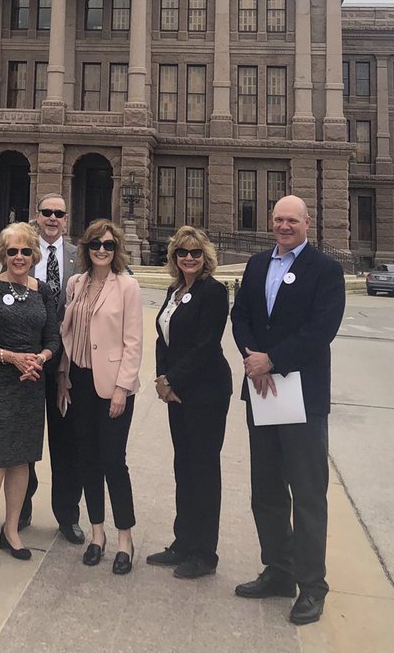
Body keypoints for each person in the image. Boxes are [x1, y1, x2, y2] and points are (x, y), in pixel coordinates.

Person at [231, 195, 346, 626]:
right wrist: (252, 355)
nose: (283, 226)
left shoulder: (326, 270)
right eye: (278, 219)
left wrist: (272, 360)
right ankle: (279, 571)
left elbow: (322, 330)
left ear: (307, 223)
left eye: (291, 220)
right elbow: (239, 315)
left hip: (301, 395)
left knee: (308, 493)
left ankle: (313, 587)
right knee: (266, 489)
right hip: (261, 392)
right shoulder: (258, 263)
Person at [0, 222, 60, 566]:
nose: (18, 257)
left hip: (30, 385)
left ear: (34, 254)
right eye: (12, 251)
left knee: (22, 461)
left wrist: (41, 359)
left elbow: (53, 339)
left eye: (25, 251)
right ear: (2, 253)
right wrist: (11, 358)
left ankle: (11, 531)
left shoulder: (43, 291)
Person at [58, 219, 143, 575]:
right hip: (78, 379)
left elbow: (133, 342)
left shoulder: (128, 286)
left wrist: (122, 388)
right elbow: (69, 332)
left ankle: (124, 538)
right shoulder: (76, 283)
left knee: (113, 461)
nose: (102, 251)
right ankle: (97, 535)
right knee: (87, 460)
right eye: (96, 245)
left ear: (116, 249)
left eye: (108, 245)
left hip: (112, 386)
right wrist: (63, 377)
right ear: (86, 248)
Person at [147, 226, 232, 579]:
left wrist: (173, 379)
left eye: (195, 253)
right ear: (174, 257)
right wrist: (161, 378)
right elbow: (163, 339)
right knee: (184, 466)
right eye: (182, 252)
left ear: (205, 256)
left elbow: (206, 344)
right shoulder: (174, 290)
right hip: (178, 392)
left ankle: (204, 553)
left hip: (206, 392)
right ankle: (183, 542)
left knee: (203, 470)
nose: (189, 258)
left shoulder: (213, 292)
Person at [19, 193, 83, 543]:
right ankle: (22, 506)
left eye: (59, 213)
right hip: (28, 360)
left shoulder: (79, 257)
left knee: (66, 441)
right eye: (47, 212)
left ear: (66, 218)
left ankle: (67, 515)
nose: (52, 218)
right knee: (27, 436)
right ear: (37, 216)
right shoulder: (22, 252)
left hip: (66, 362)